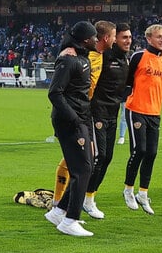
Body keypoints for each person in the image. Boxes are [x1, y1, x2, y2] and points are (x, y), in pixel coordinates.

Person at [44, 21, 98, 237]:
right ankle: (70, 220)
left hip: (81, 118)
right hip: (71, 121)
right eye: (94, 37)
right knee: (82, 169)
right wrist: (74, 118)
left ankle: (59, 212)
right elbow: (54, 92)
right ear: (86, 39)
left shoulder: (80, 57)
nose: (97, 40)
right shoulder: (68, 60)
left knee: (88, 163)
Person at [84, 22, 131, 217]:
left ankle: (88, 197)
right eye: (123, 37)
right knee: (98, 157)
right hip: (97, 113)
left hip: (113, 113)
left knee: (107, 157)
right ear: (112, 38)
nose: (128, 41)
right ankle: (83, 199)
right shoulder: (102, 56)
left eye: (129, 37)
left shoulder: (125, 60)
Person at [122, 24, 162, 214]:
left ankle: (143, 193)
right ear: (149, 39)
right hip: (136, 110)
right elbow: (127, 80)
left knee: (152, 153)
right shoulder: (139, 56)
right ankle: (128, 189)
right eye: (158, 37)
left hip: (155, 112)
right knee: (139, 150)